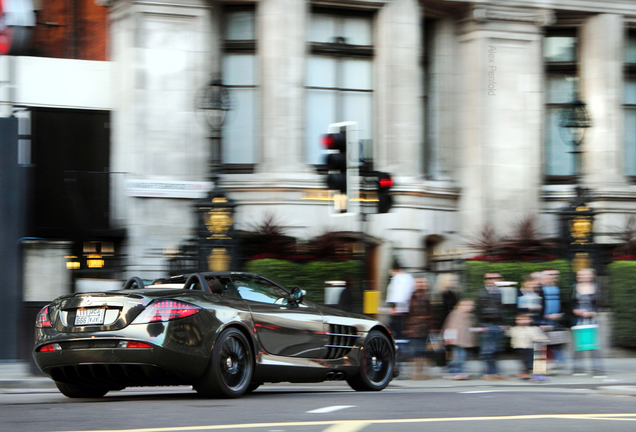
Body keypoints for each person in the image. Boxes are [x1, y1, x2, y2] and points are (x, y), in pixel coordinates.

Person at [571, 268, 605, 377]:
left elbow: (600, 304)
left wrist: (593, 313)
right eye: (579, 275)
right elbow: (569, 303)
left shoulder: (596, 288)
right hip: (578, 320)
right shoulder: (573, 288)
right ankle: (578, 369)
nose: (581, 277)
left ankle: (597, 370)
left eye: (584, 275)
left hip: (591, 319)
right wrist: (574, 310)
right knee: (577, 345)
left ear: (591, 276)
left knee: (593, 344)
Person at [474, 272, 506, 380]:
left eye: (496, 278)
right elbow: (476, 310)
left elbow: (503, 310)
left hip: (497, 325)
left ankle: (494, 372)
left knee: (496, 349)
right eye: (490, 278)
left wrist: (503, 324)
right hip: (485, 324)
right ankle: (488, 372)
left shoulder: (501, 292)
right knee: (487, 350)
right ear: (485, 280)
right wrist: (479, 325)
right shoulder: (480, 293)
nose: (493, 280)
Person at [402, 277, 433, 379]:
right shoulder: (410, 296)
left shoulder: (428, 296)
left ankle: (420, 373)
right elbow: (406, 313)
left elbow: (432, 313)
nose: (420, 284)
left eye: (422, 282)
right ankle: (413, 373)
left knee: (421, 351)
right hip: (413, 328)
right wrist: (407, 326)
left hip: (424, 328)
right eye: (418, 282)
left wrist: (432, 327)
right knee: (413, 351)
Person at [538, 269, 567, 370]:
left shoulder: (558, 288)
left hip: (556, 320)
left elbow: (564, 304)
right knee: (542, 343)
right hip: (542, 321)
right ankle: (542, 366)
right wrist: (543, 317)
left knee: (556, 341)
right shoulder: (538, 289)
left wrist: (560, 315)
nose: (551, 277)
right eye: (548, 275)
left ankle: (556, 360)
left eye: (552, 275)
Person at [506, 313, 548, 379]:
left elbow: (537, 336)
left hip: (529, 346)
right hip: (518, 347)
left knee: (530, 360)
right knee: (523, 361)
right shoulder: (515, 329)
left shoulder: (533, 329)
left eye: (525, 319)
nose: (522, 321)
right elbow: (509, 334)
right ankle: (525, 373)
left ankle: (529, 372)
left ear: (530, 320)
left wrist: (542, 339)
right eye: (520, 320)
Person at [442, 299, 476, 380]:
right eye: (467, 305)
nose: (470, 307)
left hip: (463, 340)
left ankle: (453, 370)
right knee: (460, 356)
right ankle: (456, 371)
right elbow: (451, 326)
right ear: (459, 306)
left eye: (470, 306)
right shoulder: (455, 314)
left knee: (460, 356)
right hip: (457, 340)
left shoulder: (467, 315)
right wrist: (451, 338)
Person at [384, 259, 415, 339]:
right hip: (406, 311)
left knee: (395, 333)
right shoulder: (409, 278)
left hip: (399, 312)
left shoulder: (398, 278)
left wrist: (394, 307)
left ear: (392, 270)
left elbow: (398, 296)